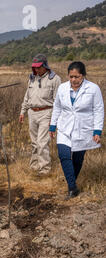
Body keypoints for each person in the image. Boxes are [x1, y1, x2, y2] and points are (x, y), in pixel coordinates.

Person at [49, 61, 104, 199]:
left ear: (83, 76)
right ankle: (72, 188)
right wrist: (52, 125)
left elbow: (98, 109)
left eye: (77, 77)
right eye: (71, 76)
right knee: (63, 155)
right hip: (64, 127)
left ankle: (71, 182)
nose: (73, 80)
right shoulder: (62, 88)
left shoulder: (93, 88)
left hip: (84, 128)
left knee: (78, 160)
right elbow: (57, 107)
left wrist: (97, 130)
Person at [20, 54, 62, 176]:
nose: (36, 70)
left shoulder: (54, 79)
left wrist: (54, 120)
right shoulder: (32, 78)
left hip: (46, 113)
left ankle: (44, 169)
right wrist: (23, 111)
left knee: (42, 142)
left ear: (45, 66)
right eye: (34, 68)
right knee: (34, 142)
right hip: (32, 113)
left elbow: (58, 101)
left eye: (38, 67)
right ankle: (34, 166)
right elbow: (27, 96)